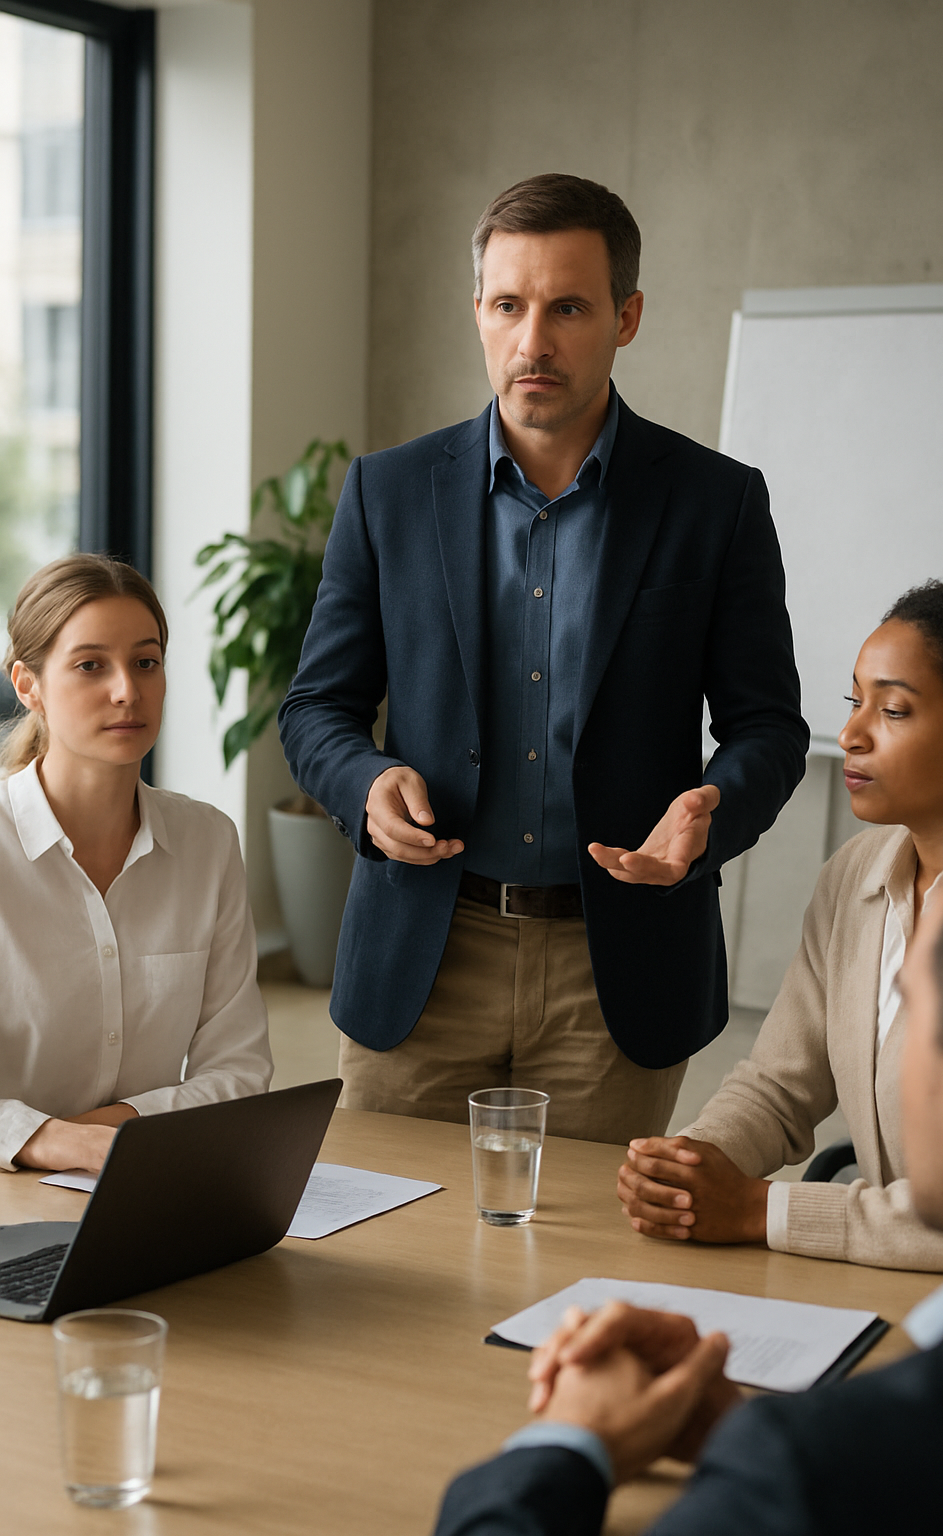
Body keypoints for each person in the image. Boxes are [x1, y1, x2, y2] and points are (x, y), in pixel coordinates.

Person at [278, 173, 807, 1143]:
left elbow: (768, 726)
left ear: (626, 316)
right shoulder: (387, 494)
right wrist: (364, 783)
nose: (534, 341)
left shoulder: (715, 504)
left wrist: (712, 809)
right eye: (509, 305)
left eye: (568, 306)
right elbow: (316, 709)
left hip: (616, 965)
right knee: (393, 1256)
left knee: (579, 1271)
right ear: (477, 311)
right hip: (426, 951)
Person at [431, 778, 943, 1535]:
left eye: (914, 1015)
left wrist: (571, 1442)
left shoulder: (816, 1461)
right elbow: (779, 1079)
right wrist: (691, 1167)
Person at [618, 578, 943, 1269]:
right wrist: (692, 1164)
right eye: (853, 702)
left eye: (893, 711)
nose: (851, 735)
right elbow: (780, 1085)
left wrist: (758, 1209)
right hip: (891, 1289)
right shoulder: (857, 872)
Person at [0, 554, 273, 1175]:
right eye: (91, 665)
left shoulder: (206, 841)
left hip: (141, 1183)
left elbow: (240, 1071)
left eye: (145, 662)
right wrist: (55, 1144)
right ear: (28, 685)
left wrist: (102, 1136)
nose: (128, 690)